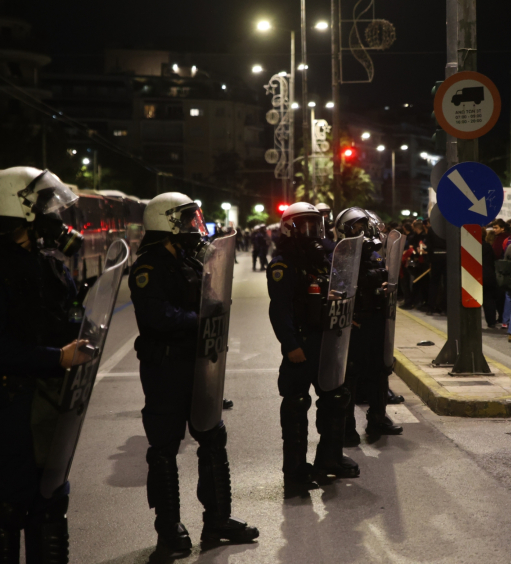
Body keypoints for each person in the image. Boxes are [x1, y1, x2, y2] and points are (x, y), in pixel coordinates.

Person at [0, 167, 91, 563]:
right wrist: (57, 357)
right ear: (21, 211)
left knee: (50, 500)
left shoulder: (44, 262)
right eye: (45, 205)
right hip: (11, 404)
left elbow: (61, 317)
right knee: (10, 507)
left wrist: (81, 334)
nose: (53, 214)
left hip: (50, 400)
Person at [130, 193, 258, 558]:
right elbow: (160, 317)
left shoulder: (187, 260)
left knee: (212, 437)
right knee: (164, 449)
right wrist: (201, 318)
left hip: (197, 364)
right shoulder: (148, 268)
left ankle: (217, 521)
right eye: (186, 220)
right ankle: (168, 531)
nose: (192, 227)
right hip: (165, 368)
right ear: (167, 223)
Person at [267, 203, 360, 490]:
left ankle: (329, 459)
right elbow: (279, 309)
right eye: (304, 224)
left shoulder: (324, 256)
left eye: (314, 224)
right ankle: (295, 473)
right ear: (290, 227)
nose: (311, 231)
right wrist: (290, 344)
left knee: (336, 397)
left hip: (326, 341)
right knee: (295, 406)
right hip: (301, 343)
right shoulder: (283, 263)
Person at [335, 208, 402, 446]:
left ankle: (377, 417)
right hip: (354, 323)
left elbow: (386, 277)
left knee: (380, 370)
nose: (362, 231)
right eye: (356, 226)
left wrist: (387, 288)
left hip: (375, 319)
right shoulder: (341, 255)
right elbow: (337, 291)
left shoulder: (375, 254)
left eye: (364, 225)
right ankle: (347, 426)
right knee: (350, 374)